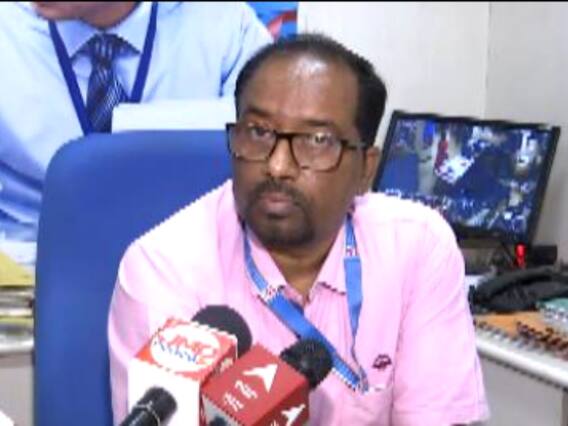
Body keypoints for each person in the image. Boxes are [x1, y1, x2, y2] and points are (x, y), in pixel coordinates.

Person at [108, 34, 489, 425]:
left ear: (365, 169)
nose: (277, 166)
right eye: (258, 132)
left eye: (316, 140)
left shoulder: (418, 247)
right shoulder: (163, 267)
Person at [0, 2, 272, 258]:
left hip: (185, 267)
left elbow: (269, 170)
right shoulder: (8, 30)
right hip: (29, 265)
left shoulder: (223, 27)